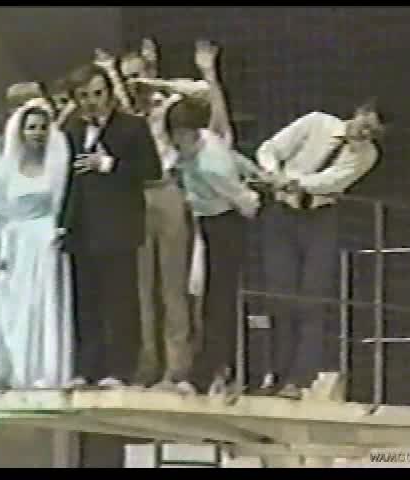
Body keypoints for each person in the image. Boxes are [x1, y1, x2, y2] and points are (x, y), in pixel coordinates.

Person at [254, 101, 385, 399]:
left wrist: (294, 182)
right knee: (279, 295)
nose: (364, 134)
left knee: (312, 299)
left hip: (319, 218)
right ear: (359, 112)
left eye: (372, 133)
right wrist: (273, 174)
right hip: (282, 214)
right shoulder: (317, 122)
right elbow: (270, 148)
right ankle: (275, 373)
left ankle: (300, 379)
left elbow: (332, 181)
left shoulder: (366, 155)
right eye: (365, 125)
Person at [159, 41, 262, 394]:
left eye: (180, 136)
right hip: (205, 223)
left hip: (224, 224)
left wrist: (254, 190)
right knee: (203, 296)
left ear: (188, 133)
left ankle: (206, 374)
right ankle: (214, 369)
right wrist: (209, 73)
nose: (177, 143)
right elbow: (221, 122)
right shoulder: (203, 142)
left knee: (219, 301)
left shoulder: (209, 164)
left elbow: (245, 201)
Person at [92, 47, 195, 393]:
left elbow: (202, 94)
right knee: (140, 287)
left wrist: (157, 82)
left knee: (172, 285)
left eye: (139, 75)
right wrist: (111, 71)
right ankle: (145, 363)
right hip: (136, 195)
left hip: (167, 190)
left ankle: (177, 369)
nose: (134, 83)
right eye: (128, 77)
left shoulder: (171, 104)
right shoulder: (126, 116)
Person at [59, 64, 159, 388]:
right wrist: (63, 224)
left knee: (120, 301)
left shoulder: (132, 127)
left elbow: (152, 169)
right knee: (85, 303)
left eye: (98, 94)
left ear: (109, 94)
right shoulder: (71, 131)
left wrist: (110, 164)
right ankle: (87, 368)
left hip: (118, 227)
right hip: (82, 228)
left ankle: (120, 369)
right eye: (84, 96)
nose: (92, 102)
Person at [0, 97, 75, 389]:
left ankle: (45, 370)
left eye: (42, 127)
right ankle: (17, 371)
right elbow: (0, 211)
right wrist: (4, 248)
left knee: (42, 304)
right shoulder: (7, 168)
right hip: (17, 242)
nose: (37, 133)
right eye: (31, 127)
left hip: (45, 239)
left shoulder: (55, 167)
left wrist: (56, 232)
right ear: (21, 131)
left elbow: (59, 201)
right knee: (13, 306)